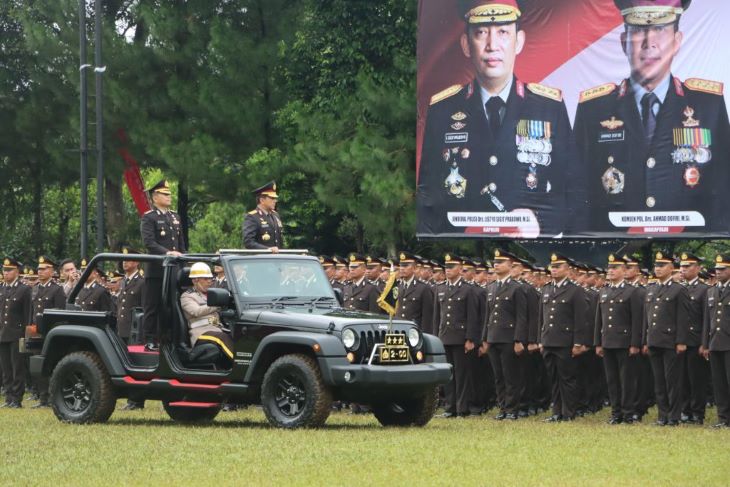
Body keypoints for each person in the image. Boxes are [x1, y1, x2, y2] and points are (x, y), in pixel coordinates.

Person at [416, 0, 574, 237]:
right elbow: (427, 198)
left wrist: (539, 220)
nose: (492, 45)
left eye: (502, 32)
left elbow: (575, 194)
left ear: (518, 41)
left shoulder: (549, 108)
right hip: (467, 257)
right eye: (481, 33)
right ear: (466, 44)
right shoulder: (442, 110)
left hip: (526, 257)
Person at [574, 0, 730, 234]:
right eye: (638, 31)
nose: (649, 43)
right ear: (624, 42)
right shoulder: (593, 110)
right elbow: (577, 201)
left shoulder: (709, 106)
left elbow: (724, 199)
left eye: (660, 29)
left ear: (677, 41)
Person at [539, 253, 590, 422]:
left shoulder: (575, 290)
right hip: (548, 340)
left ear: (567, 270)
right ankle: (556, 412)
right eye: (552, 267)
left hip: (565, 342)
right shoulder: (546, 288)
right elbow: (542, 317)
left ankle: (568, 412)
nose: (554, 270)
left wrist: (578, 342)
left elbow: (580, 319)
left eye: (558, 266)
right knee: (553, 379)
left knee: (567, 379)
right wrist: (541, 339)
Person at [643, 250, 690, 426]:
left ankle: (674, 416)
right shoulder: (652, 288)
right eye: (656, 265)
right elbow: (647, 318)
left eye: (662, 265)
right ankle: (663, 415)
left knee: (673, 381)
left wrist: (681, 341)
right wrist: (645, 340)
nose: (658, 268)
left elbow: (683, 318)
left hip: (671, 342)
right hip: (654, 340)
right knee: (659, 381)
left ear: (672, 268)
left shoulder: (678, 289)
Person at [479, 249, 528, 420]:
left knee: (510, 376)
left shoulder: (516, 288)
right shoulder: (491, 287)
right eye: (495, 262)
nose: (496, 265)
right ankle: (502, 408)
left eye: (500, 262)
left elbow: (522, 317)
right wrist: (484, 338)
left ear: (510, 265)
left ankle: (512, 409)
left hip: (508, 338)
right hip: (493, 337)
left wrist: (519, 339)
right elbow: (488, 314)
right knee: (498, 376)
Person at [594, 254, 643, 424]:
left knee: (627, 380)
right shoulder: (605, 290)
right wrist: (598, 342)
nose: (611, 271)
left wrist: (635, 343)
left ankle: (628, 412)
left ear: (624, 270)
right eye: (610, 268)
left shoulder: (632, 291)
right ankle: (616, 413)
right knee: (612, 380)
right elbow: (598, 319)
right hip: (608, 341)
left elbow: (637, 320)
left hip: (624, 342)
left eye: (615, 268)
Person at [140, 179, 186, 350]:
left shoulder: (174, 216)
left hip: (173, 269)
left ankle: (169, 338)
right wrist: (167, 253)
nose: (169, 197)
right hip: (157, 269)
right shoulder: (149, 217)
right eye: (165, 194)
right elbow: (149, 242)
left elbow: (180, 244)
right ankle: (150, 339)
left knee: (171, 305)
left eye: (169, 194)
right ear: (155, 197)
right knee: (153, 305)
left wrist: (183, 259)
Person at [433, 254, 480, 417]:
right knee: (449, 374)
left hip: (461, 338)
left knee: (462, 374)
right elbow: (437, 316)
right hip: (445, 336)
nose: (448, 270)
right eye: (446, 267)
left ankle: (462, 408)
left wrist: (470, 339)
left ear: (460, 269)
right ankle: (450, 407)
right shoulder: (441, 288)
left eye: (452, 267)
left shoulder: (468, 289)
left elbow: (473, 316)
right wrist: (435, 337)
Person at [30, 256, 66, 408]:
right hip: (35, 332)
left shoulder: (57, 289)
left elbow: (60, 314)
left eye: (44, 268)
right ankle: (42, 397)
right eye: (39, 268)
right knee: (37, 364)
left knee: (49, 364)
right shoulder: (36, 288)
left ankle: (52, 397)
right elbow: (32, 310)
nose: (40, 271)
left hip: (50, 333)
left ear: (52, 271)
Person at [679, 252, 709, 424]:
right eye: (682, 266)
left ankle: (697, 412)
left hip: (695, 340)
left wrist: (704, 343)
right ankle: (685, 410)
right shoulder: (678, 287)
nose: (683, 269)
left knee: (696, 379)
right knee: (682, 378)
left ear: (697, 268)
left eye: (687, 266)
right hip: (679, 341)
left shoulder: (704, 289)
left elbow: (707, 319)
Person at [702, 254, 730, 428]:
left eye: (723, 269)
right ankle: (723, 418)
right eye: (717, 269)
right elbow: (707, 320)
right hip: (715, 343)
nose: (718, 272)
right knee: (719, 383)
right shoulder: (711, 291)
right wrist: (705, 344)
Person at [0, 258, 31, 408]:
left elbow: (27, 315)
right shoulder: (2, 288)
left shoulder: (24, 289)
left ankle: (17, 399)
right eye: (4, 270)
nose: (6, 273)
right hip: (3, 333)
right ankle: (8, 397)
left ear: (17, 272)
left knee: (17, 367)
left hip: (17, 334)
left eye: (9, 270)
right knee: (5, 368)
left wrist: (26, 335)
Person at [395, 252, 434, 334]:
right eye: (401, 265)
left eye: (406, 266)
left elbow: (427, 317)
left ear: (414, 268)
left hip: (415, 333)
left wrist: (425, 336)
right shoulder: (398, 286)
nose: (402, 268)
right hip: (398, 331)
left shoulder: (424, 288)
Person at [242, 181, 283, 251]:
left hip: (276, 259)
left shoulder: (275, 215)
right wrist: (268, 249)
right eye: (272, 198)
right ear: (262, 200)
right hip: (261, 259)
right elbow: (248, 242)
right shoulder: (252, 217)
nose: (275, 201)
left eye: (275, 198)